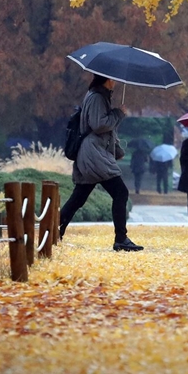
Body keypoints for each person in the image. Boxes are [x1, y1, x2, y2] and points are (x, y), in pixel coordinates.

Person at [59, 74, 143, 252]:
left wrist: (118, 151)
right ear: (108, 80)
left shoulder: (98, 96)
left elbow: (107, 132)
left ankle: (55, 231)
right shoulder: (97, 97)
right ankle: (121, 238)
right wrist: (119, 113)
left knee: (78, 198)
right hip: (93, 154)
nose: (116, 82)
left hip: (92, 152)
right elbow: (99, 125)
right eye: (114, 79)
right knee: (120, 192)